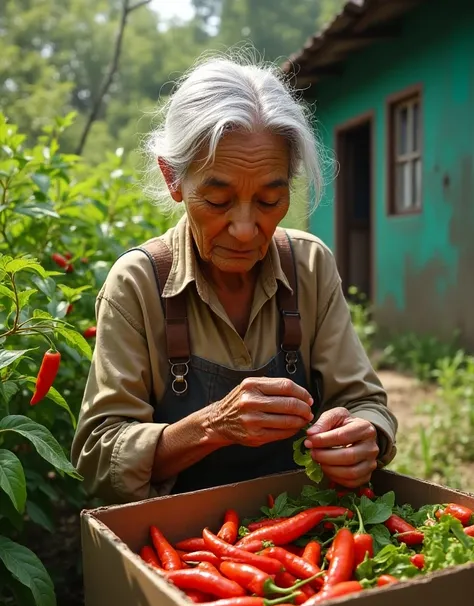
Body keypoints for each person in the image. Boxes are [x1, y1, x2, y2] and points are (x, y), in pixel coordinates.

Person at [71, 55, 397, 504]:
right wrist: (211, 425)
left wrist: (368, 437)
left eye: (269, 200)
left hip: (304, 527)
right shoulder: (139, 285)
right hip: (188, 548)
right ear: (174, 179)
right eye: (218, 199)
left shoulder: (309, 266)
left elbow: (366, 403)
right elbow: (97, 461)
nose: (245, 229)